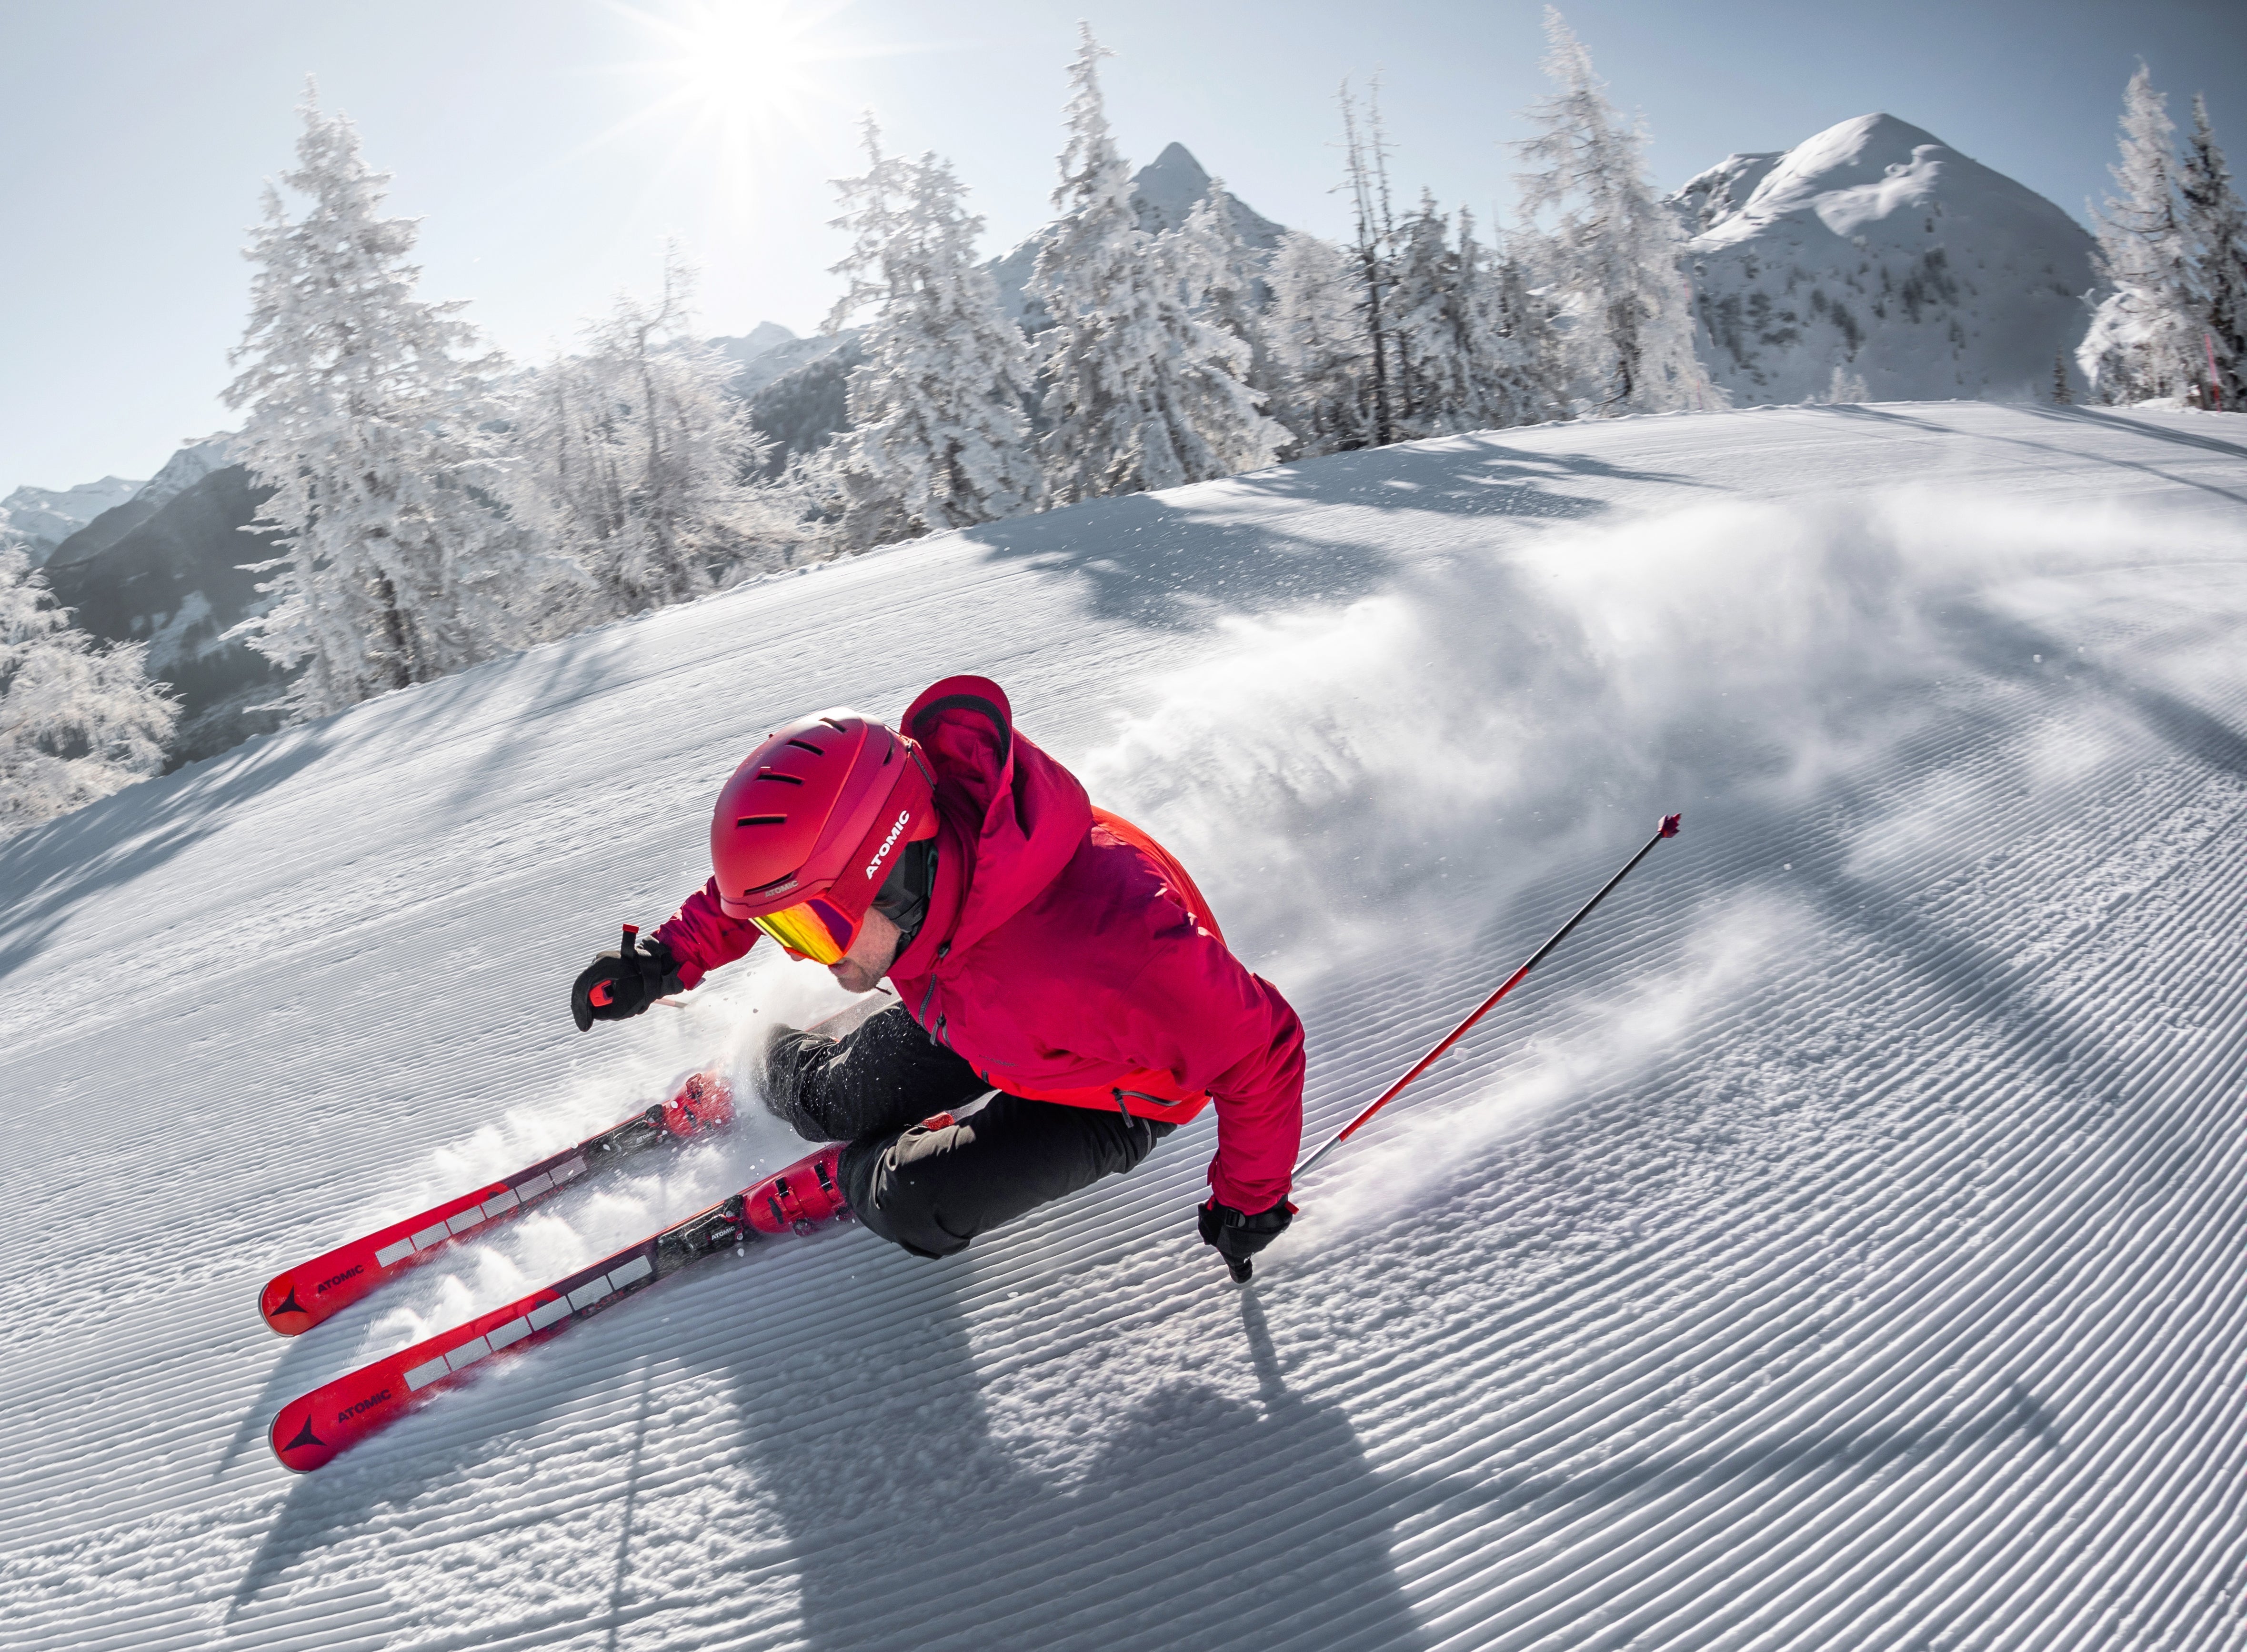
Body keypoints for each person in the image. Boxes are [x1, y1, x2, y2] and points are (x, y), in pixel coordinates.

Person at [570, 674, 1303, 1275]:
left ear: (888, 874)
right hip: (968, 1000)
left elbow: (1259, 1049)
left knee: (916, 1203)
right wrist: (668, 957)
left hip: (1106, 1085)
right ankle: (766, 1071)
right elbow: (784, 873)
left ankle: (870, 1170)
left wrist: (1248, 1201)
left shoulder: (1113, 950)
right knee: (824, 1100)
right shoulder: (917, 876)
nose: (800, 955)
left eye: (810, 928)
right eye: (783, 931)